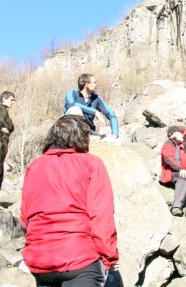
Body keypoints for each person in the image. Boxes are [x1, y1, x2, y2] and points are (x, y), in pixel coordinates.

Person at [20, 115, 119, 287]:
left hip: (40, 261)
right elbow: (101, 216)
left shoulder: (34, 166)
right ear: (81, 137)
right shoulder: (90, 163)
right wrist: (108, 259)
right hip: (80, 259)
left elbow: (25, 217)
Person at [63, 73, 119, 138]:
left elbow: (111, 114)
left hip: (88, 132)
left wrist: (115, 134)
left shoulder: (97, 98)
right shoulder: (71, 93)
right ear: (87, 85)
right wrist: (95, 112)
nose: (96, 84)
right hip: (69, 130)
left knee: (111, 140)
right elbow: (72, 105)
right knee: (75, 110)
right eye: (94, 82)